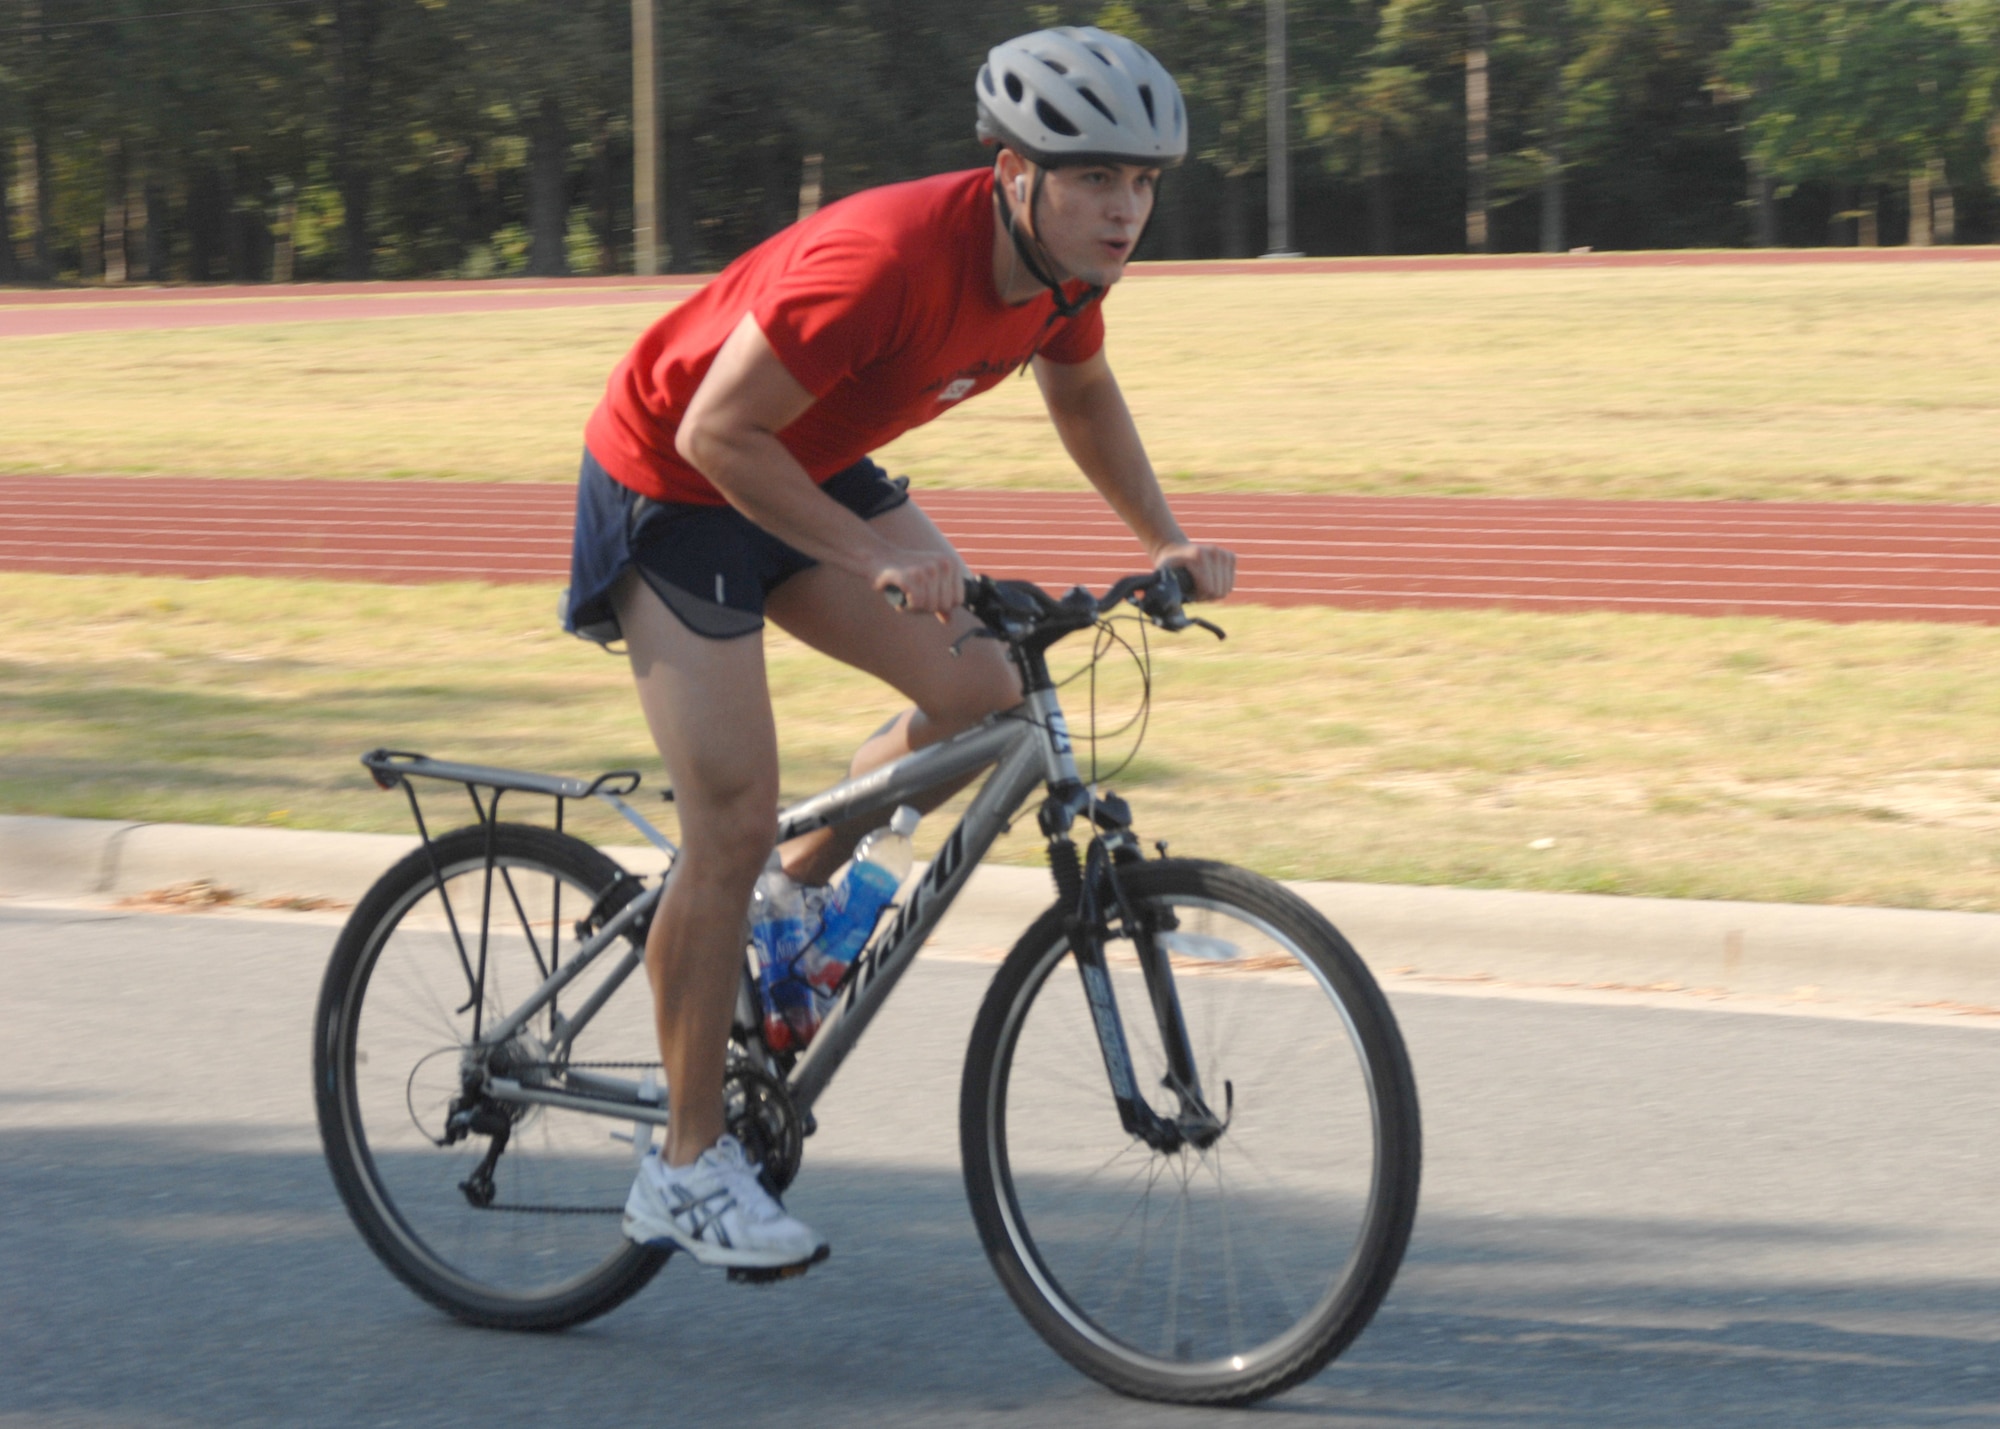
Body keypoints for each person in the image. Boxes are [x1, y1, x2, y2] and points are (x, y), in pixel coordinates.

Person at [562, 25, 1237, 1276]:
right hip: (676, 473)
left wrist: (1166, 538)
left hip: (801, 457)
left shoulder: (1065, 278)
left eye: (1142, 183)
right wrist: (872, 555)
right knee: (730, 812)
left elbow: (1079, 396)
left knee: (984, 688)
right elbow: (719, 432)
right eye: (1094, 177)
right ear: (1011, 169)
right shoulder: (881, 261)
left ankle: (787, 902)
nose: (1124, 209)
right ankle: (684, 1167)